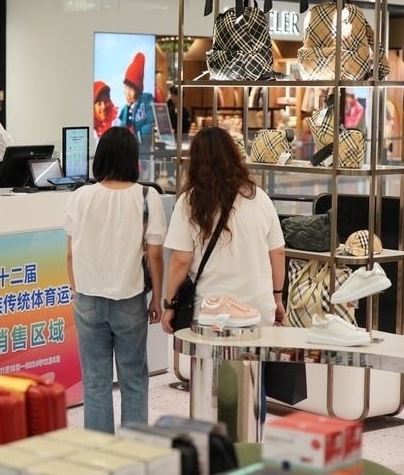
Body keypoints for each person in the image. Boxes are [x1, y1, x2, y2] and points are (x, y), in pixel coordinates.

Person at [63, 126, 167, 433]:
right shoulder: (147, 196)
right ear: (133, 159)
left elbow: (70, 253)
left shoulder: (81, 196)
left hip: (88, 299)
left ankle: (99, 452)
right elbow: (155, 255)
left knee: (95, 382)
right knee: (133, 379)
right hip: (130, 299)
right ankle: (134, 450)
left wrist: (75, 289)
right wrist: (157, 298)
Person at [160, 126, 286, 334]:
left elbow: (181, 260)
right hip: (257, 309)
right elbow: (278, 252)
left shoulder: (189, 202)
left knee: (209, 356)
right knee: (254, 355)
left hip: (210, 311)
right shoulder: (259, 198)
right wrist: (277, 298)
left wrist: (170, 305)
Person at [117, 52, 155, 143]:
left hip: (143, 149)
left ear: (138, 89)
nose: (127, 93)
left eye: (131, 88)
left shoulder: (147, 99)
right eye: (126, 87)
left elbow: (152, 124)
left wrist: (137, 135)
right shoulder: (124, 109)